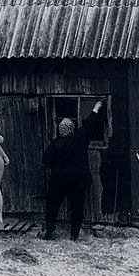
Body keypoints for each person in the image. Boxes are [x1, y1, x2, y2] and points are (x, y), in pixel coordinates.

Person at [41, 100, 104, 241]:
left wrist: (56, 167)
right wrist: (96, 108)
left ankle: (50, 231)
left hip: (59, 180)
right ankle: (74, 235)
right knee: (77, 207)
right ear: (72, 129)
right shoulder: (80, 138)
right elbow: (90, 124)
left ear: (60, 130)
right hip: (77, 181)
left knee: (52, 205)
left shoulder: (56, 143)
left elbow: (46, 160)